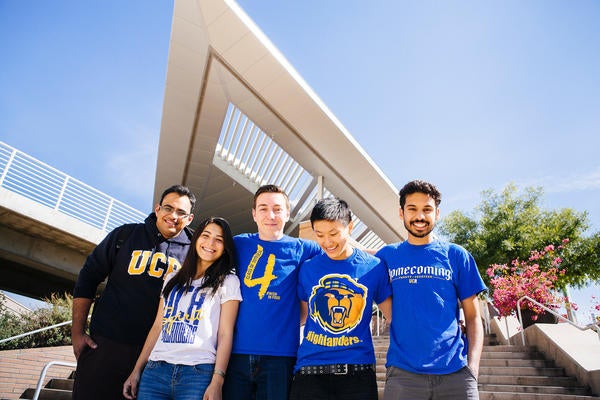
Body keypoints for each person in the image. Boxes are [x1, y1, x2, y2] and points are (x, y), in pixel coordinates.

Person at [71, 185, 196, 400]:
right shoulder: (126, 234)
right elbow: (88, 277)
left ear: (190, 218)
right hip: (106, 346)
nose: (173, 216)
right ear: (157, 209)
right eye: (168, 208)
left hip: (158, 359)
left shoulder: (196, 250)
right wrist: (77, 333)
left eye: (181, 212)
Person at [376, 180, 486, 400]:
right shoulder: (387, 257)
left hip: (455, 373)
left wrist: (472, 369)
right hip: (403, 375)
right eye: (412, 209)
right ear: (401, 213)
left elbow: (473, 318)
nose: (420, 216)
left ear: (437, 213)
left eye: (427, 209)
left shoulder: (456, 255)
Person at [123, 217, 242, 400]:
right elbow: (157, 327)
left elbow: (225, 334)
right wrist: (137, 370)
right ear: (196, 239)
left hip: (198, 373)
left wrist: (217, 381)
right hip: (155, 371)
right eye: (206, 235)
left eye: (219, 239)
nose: (210, 243)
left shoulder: (228, 281)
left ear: (225, 247)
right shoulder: (172, 278)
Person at [223, 184, 322, 400]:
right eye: (263, 208)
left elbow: (341, 250)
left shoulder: (303, 248)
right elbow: (204, 253)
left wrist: (391, 254)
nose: (271, 215)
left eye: (277, 209)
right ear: (254, 214)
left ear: (287, 213)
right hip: (237, 354)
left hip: (281, 357)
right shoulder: (238, 244)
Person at [289, 197, 392, 400]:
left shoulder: (374, 267)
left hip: (357, 374)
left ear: (350, 227)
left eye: (334, 233)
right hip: (310, 374)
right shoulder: (307, 269)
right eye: (319, 235)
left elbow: (393, 317)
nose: (327, 242)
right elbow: (301, 317)